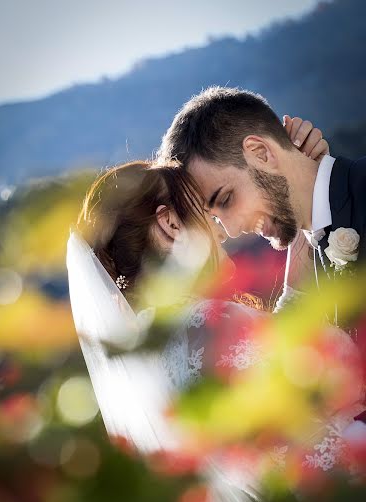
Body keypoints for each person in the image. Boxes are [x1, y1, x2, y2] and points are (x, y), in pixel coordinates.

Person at [67, 122, 363, 474]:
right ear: (172, 225)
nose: (223, 232)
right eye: (208, 214)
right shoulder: (205, 319)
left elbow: (282, 337)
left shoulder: (155, 337)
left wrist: (297, 195)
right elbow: (325, 369)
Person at [157, 86, 366, 317]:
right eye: (214, 216)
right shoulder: (311, 256)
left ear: (260, 153)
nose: (232, 231)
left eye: (226, 199)